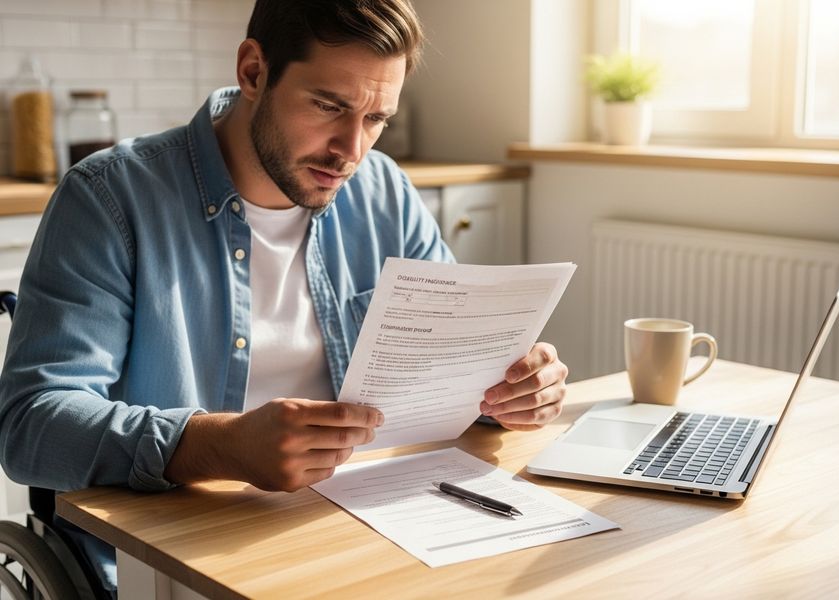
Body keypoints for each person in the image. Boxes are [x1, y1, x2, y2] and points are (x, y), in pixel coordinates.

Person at [0, 0, 569, 594]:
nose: (351, 150)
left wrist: (509, 388)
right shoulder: (110, 199)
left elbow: (452, 371)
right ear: (253, 71)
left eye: (377, 119)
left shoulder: (385, 192)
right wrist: (217, 446)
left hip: (368, 531)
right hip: (175, 559)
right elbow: (30, 425)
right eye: (329, 106)